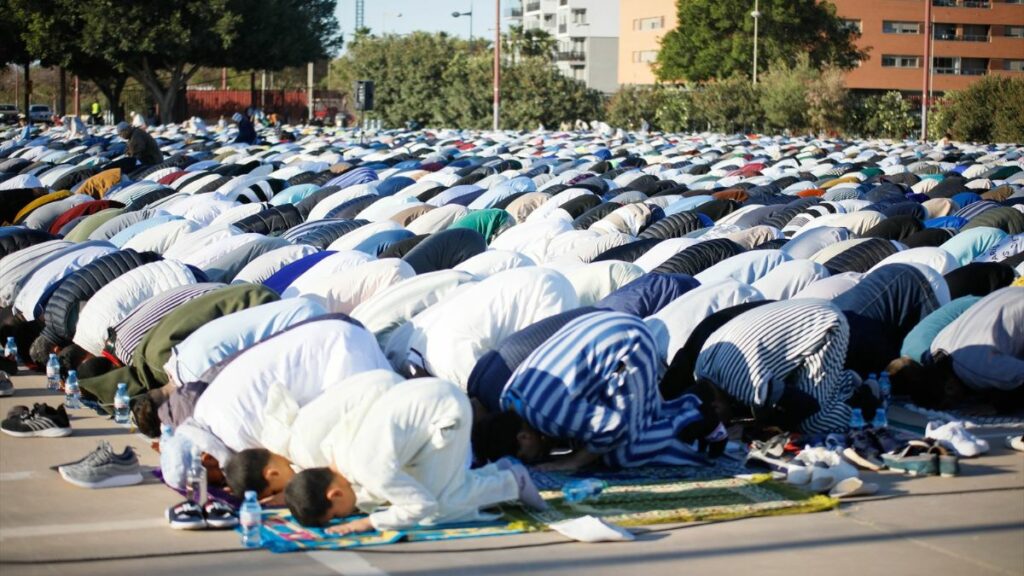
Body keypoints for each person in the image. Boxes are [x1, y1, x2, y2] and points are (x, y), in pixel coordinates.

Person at [284, 377, 546, 534]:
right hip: (422, 394)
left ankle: (512, 482)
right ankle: (498, 472)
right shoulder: (335, 451)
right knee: (429, 489)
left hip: (444, 410)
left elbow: (423, 506)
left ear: (335, 495)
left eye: (338, 515)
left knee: (440, 506)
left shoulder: (368, 469)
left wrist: (367, 523)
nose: (346, 516)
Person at [472, 311, 722, 472]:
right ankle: (664, 415)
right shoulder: (508, 399)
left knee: (624, 454)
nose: (536, 459)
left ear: (523, 438)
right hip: (602, 328)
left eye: (528, 457)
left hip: (628, 344)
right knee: (593, 441)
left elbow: (613, 427)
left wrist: (571, 462)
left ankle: (693, 412)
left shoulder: (547, 416)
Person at [695, 299, 870, 434]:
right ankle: (841, 384)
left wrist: (769, 426)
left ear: (716, 407)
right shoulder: (700, 369)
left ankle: (865, 405)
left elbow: (805, 405)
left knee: (813, 423)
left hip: (826, 325)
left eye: (722, 422)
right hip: (807, 312)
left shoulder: (741, 384)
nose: (727, 424)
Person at [889, 286, 1024, 410]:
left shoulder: (977, 369)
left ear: (950, 388)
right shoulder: (937, 346)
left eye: (949, 403)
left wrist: (999, 406)